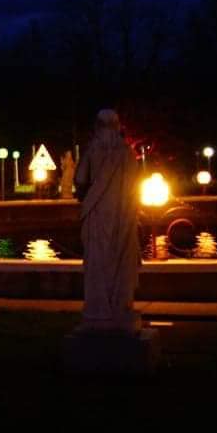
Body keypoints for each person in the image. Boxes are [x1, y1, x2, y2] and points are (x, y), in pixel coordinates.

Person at [73, 110, 142, 331]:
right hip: (123, 215)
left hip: (97, 214)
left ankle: (98, 309)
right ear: (117, 126)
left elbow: (80, 179)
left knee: (97, 262)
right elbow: (135, 184)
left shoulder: (93, 149)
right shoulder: (126, 153)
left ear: (98, 126)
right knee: (121, 261)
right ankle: (121, 306)